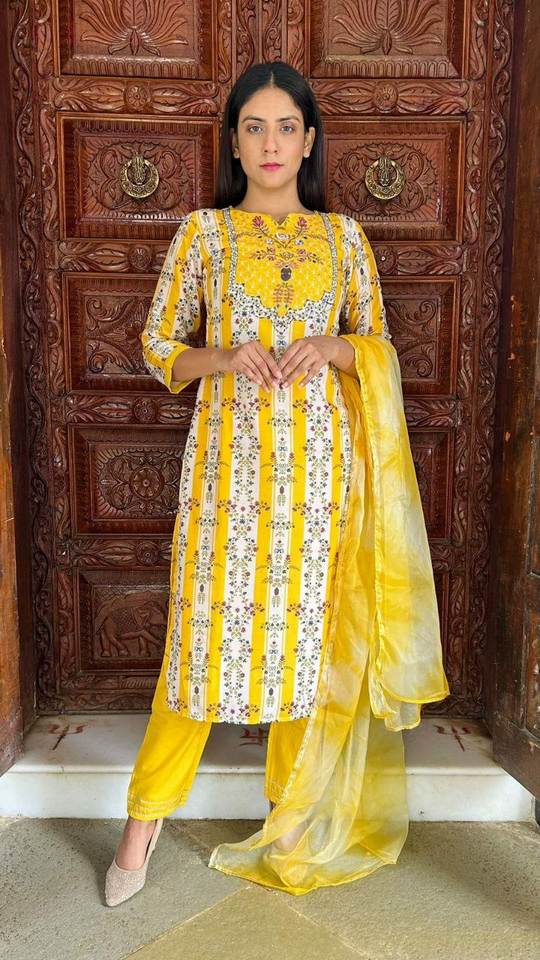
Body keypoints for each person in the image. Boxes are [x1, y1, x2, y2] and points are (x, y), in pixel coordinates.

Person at [105, 61, 450, 906]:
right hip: (226, 471)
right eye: (254, 127)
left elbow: (377, 346)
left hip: (319, 478)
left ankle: (289, 826)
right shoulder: (204, 235)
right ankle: (141, 828)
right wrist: (223, 355)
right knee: (197, 647)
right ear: (234, 142)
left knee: (307, 651)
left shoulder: (343, 240)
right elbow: (157, 345)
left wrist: (336, 348)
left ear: (308, 141)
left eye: (286, 128)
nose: (270, 143)